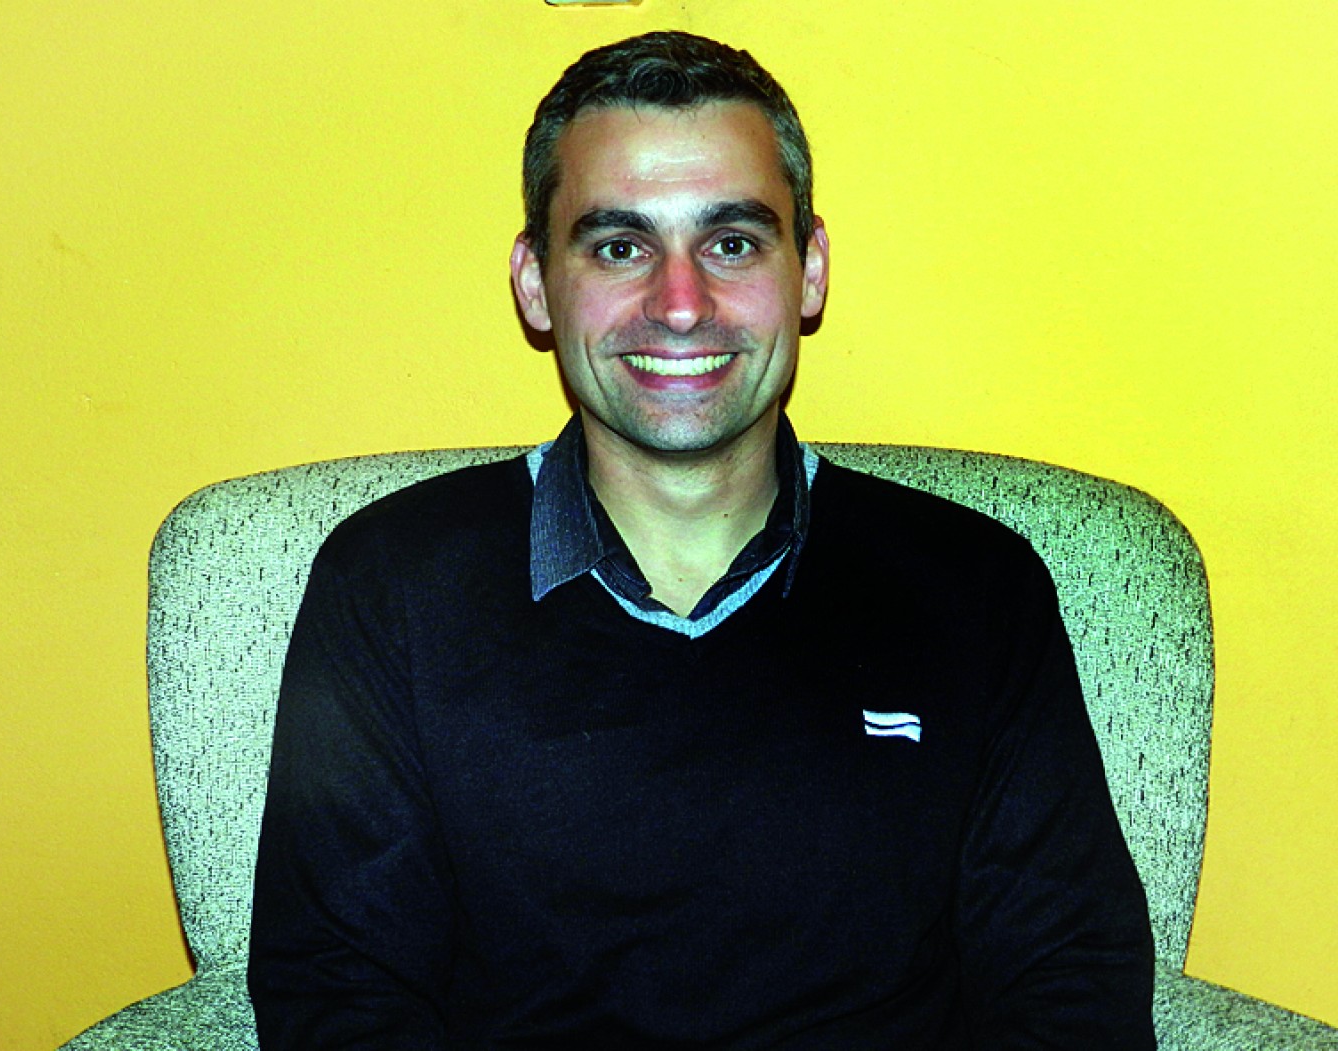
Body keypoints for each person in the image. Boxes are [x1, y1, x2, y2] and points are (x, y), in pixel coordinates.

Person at [247, 31, 1156, 1049]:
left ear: (808, 271)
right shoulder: (391, 584)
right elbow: (337, 992)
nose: (679, 306)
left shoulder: (975, 587)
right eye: (618, 246)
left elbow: (1071, 982)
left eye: (731, 243)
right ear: (536, 283)